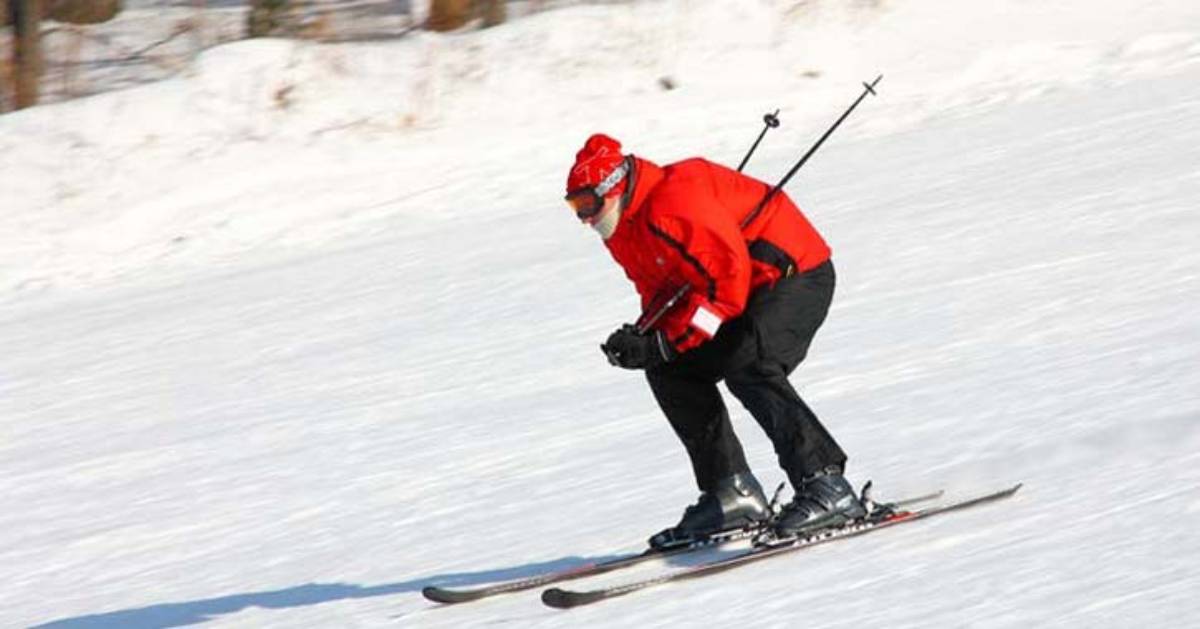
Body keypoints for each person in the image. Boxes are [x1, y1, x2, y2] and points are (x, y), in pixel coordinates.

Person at [563, 133, 866, 549]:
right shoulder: (623, 230)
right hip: (741, 293)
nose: (584, 218)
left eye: (587, 204)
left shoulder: (673, 205)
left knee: (749, 364)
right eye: (574, 207)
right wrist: (645, 336)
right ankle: (732, 493)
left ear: (614, 186)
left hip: (794, 277)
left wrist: (667, 341)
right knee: (669, 370)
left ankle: (828, 486)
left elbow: (726, 287)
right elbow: (662, 289)